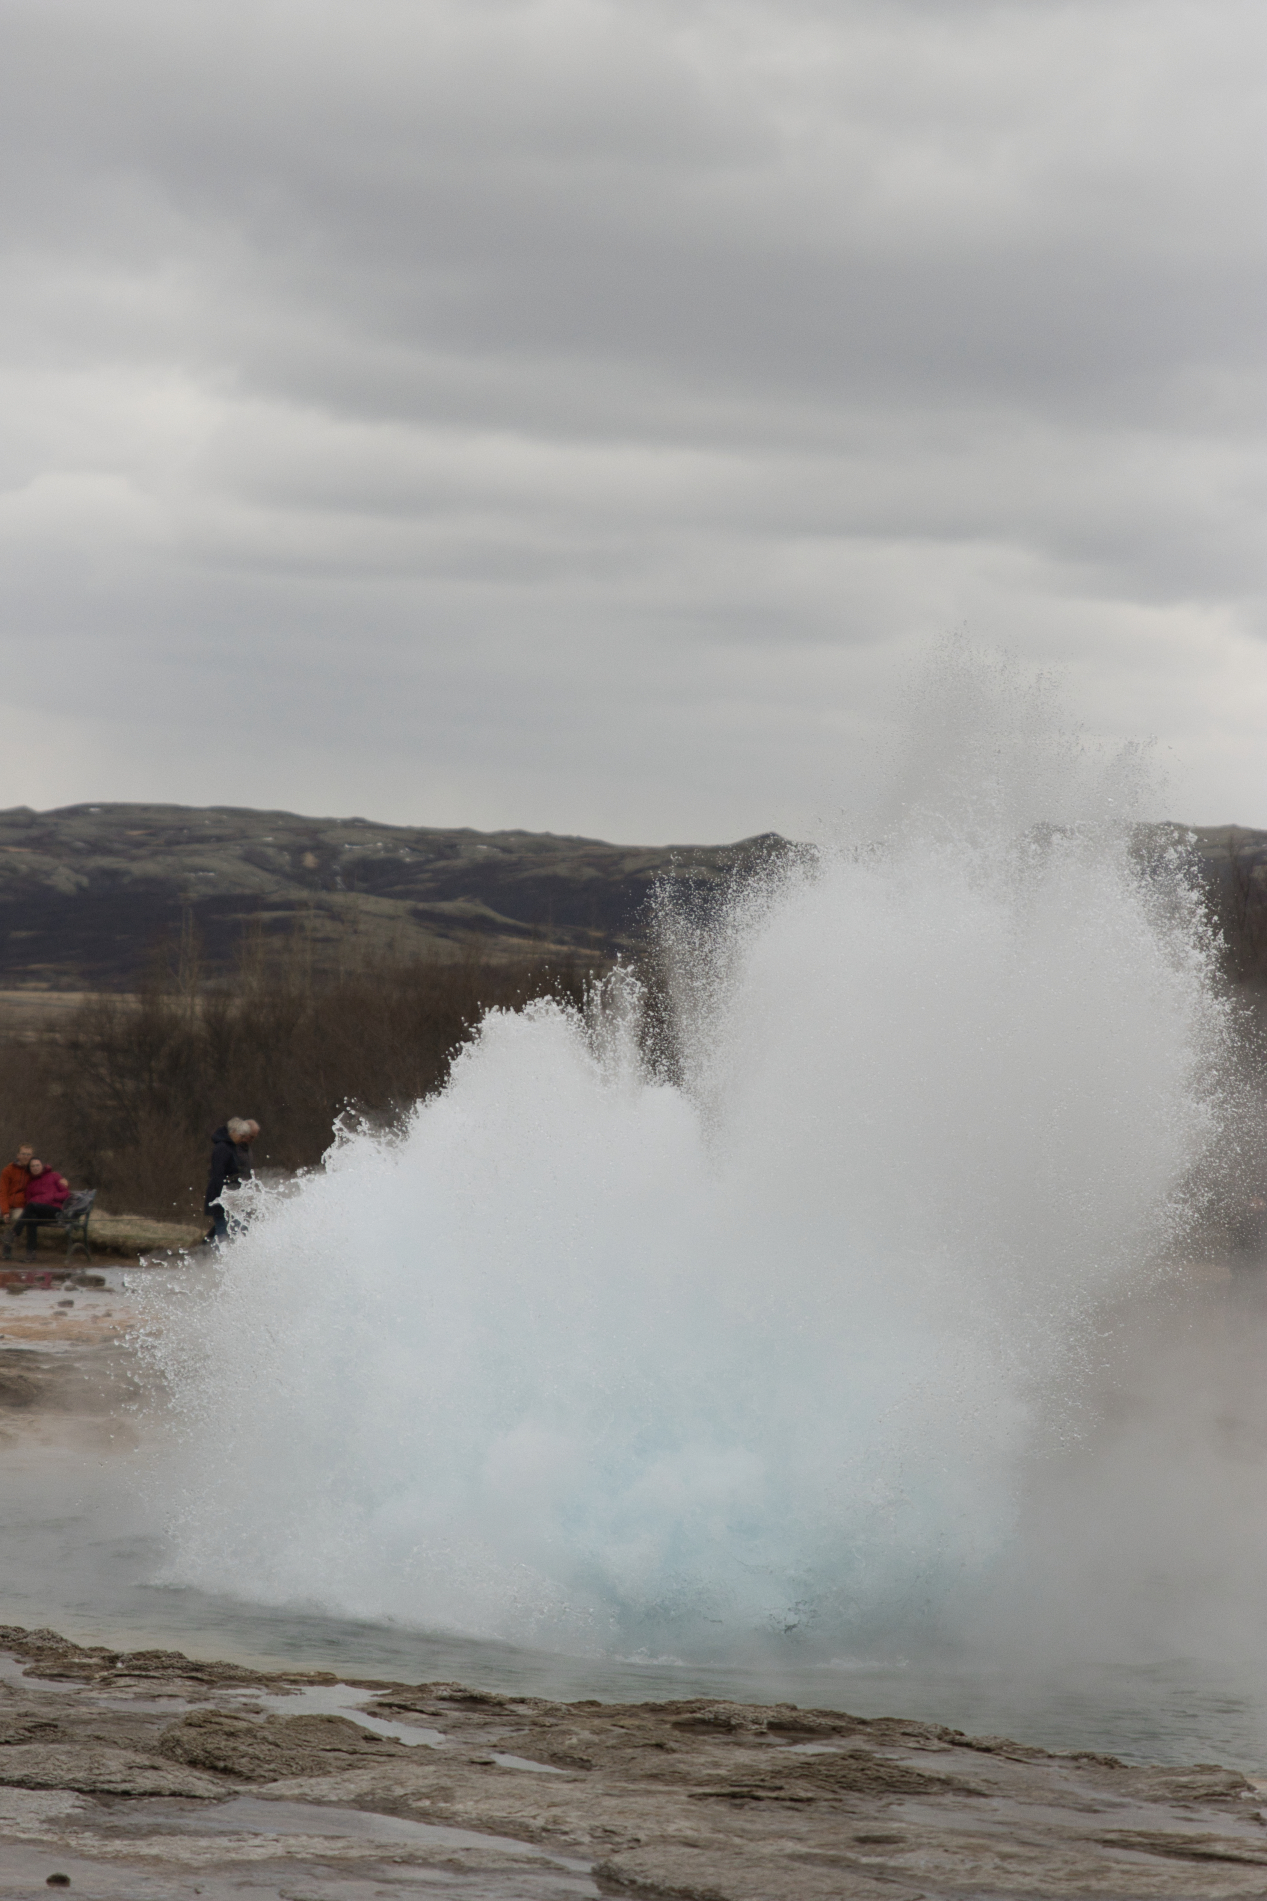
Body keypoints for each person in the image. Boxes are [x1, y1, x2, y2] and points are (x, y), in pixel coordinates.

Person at [204, 1117, 259, 1245]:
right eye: (242, 1136)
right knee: (224, 1230)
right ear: (233, 1132)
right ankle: (217, 1253)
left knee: (231, 1228)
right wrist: (222, 1196)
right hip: (222, 1196)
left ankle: (209, 1250)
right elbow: (217, 1174)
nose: (242, 1139)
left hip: (231, 1195)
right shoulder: (223, 1148)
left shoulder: (231, 1147)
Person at [16, 1159, 69, 1260]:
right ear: (30, 1169)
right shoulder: (31, 1184)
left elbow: (66, 1193)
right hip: (39, 1212)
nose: (35, 1168)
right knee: (31, 1218)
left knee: (31, 1207)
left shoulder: (54, 1176)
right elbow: (28, 1201)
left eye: (37, 1165)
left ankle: (14, 1232)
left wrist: (53, 1196)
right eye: (32, 1166)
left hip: (54, 1211)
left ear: (42, 1166)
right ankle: (30, 1254)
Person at [0, 1144, 33, 1260]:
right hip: (5, 1203)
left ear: (31, 1156)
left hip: (20, 1206)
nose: (25, 1157)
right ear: (18, 1155)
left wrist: (62, 1181)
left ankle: (7, 1247)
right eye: (23, 1154)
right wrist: (5, 1212)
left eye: (28, 1154)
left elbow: (47, 1176)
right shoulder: (8, 1170)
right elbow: (2, 1192)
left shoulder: (32, 1171)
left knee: (18, 1218)